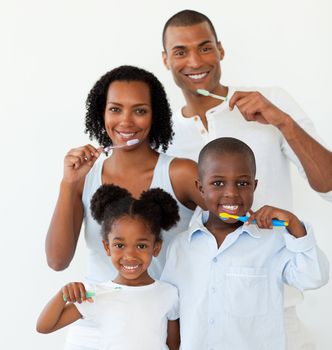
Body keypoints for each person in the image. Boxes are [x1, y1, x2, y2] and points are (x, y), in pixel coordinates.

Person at [161, 9, 332, 349]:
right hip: (204, 321)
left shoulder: (271, 102)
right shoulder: (165, 136)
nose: (195, 60)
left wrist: (282, 121)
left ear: (221, 50)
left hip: (278, 312)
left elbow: (328, 186)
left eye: (205, 47)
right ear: (166, 60)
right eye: (180, 51)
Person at [45, 65, 204, 349]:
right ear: (101, 113)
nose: (126, 121)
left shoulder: (181, 174)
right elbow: (58, 261)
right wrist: (68, 184)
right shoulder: (84, 177)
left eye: (139, 110)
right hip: (94, 328)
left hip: (156, 327)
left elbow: (231, 222)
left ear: (155, 116)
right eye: (115, 109)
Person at [161, 137, 329, 350]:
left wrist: (293, 224)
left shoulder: (273, 241)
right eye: (218, 183)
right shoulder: (181, 247)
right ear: (200, 188)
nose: (231, 193)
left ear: (254, 186)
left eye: (242, 183)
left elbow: (315, 277)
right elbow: (170, 310)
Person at [38, 184, 181, 350]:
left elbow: (173, 345)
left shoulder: (169, 293)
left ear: (156, 247)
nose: (129, 256)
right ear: (107, 247)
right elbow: (44, 327)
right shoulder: (96, 294)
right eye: (120, 245)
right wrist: (63, 294)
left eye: (141, 246)